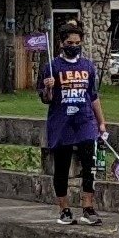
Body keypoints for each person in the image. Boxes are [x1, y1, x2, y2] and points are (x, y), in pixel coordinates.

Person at [40, 27, 104, 226]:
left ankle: (88, 206)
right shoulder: (52, 67)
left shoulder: (87, 66)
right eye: (70, 43)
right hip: (62, 123)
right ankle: (64, 209)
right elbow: (46, 99)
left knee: (89, 165)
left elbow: (92, 96)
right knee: (62, 166)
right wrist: (49, 88)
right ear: (62, 43)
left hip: (84, 121)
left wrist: (101, 121)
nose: (74, 46)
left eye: (77, 43)